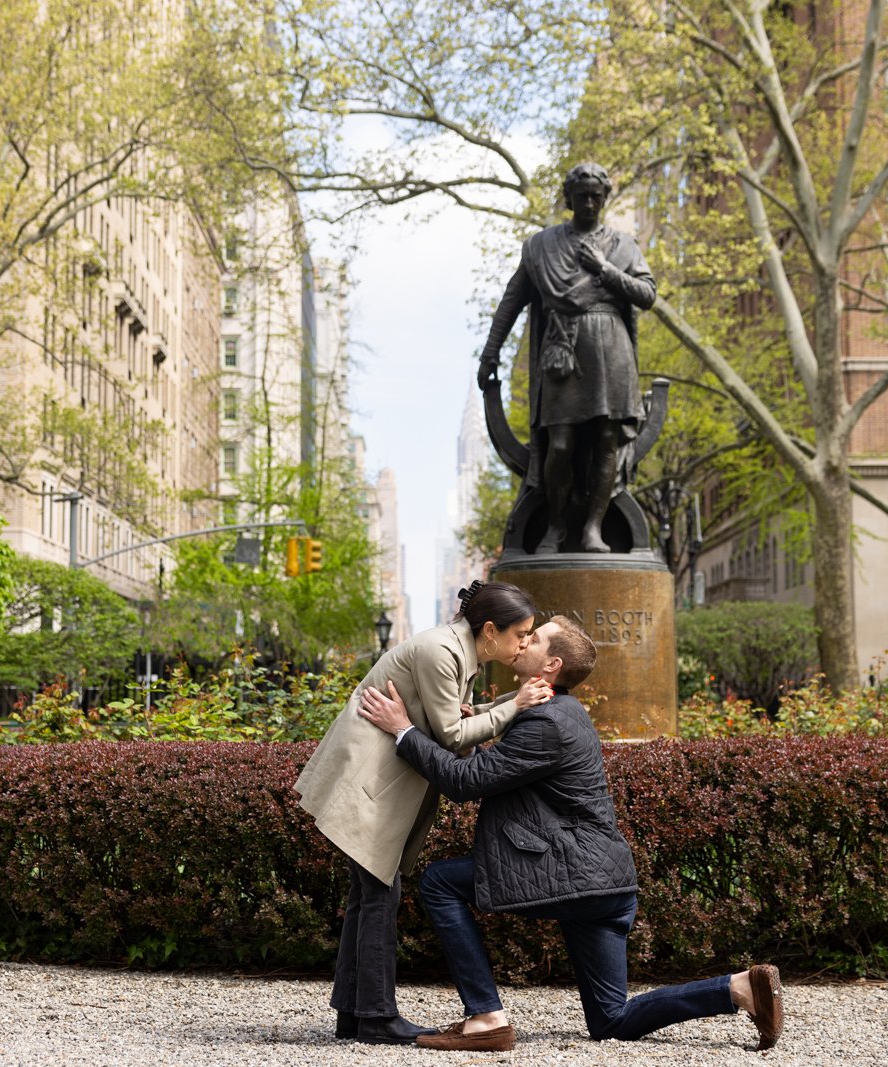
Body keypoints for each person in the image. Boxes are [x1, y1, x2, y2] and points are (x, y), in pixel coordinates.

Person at [356, 615, 784, 1052]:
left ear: (552, 665)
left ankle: (486, 1016)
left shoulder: (546, 724)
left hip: (578, 876)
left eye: (535, 638)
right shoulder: (556, 711)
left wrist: (403, 730)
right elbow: (495, 770)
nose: (523, 642)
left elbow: (466, 783)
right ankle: (738, 989)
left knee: (439, 882)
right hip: (605, 885)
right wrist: (471, 731)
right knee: (610, 1020)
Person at [293, 580, 551, 1045]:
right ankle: (375, 1016)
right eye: (522, 634)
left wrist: (498, 706)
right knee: (378, 893)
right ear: (490, 631)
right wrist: (514, 705)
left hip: (377, 781)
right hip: (370, 782)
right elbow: (452, 736)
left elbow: (448, 719)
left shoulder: (455, 649)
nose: (526, 643)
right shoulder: (441, 651)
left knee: (369, 892)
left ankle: (354, 1014)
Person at [477, 162, 656, 554]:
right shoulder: (541, 246)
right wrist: (490, 353)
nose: (589, 203)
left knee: (606, 442)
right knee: (559, 444)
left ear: (605, 198)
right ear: (569, 198)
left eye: (596, 196)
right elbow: (511, 301)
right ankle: (556, 526)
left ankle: (593, 528)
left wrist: (605, 270)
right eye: (582, 196)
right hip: (563, 354)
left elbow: (646, 295)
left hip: (611, 350)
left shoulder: (624, 246)